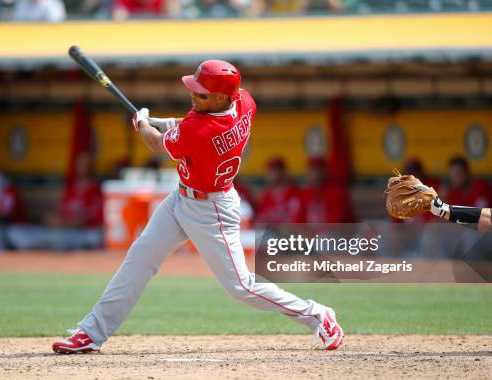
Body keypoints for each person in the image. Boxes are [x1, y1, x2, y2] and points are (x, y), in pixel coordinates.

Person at [52, 60, 343, 354]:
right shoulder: (243, 101)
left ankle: (318, 314)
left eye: (202, 94)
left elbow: (158, 143)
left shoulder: (204, 130)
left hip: (212, 211)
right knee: (140, 258)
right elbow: (188, 125)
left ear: (221, 98)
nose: (194, 96)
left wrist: (143, 123)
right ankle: (92, 333)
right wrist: (160, 122)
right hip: (182, 198)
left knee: (241, 287)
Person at [7, 152, 104, 251]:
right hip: (59, 231)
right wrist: (52, 219)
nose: (82, 167)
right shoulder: (71, 190)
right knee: (15, 232)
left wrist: (74, 223)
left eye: (85, 164)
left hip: (80, 233)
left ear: (92, 166)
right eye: (80, 164)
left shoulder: (97, 190)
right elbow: (58, 213)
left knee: (93, 237)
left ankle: (50, 248)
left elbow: (97, 222)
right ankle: (47, 248)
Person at [298, 156, 354, 223]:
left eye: (318, 169)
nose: (316, 173)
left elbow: (335, 222)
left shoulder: (337, 192)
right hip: (315, 231)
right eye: (313, 169)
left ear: (325, 171)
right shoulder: (305, 193)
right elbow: (299, 220)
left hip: (342, 231)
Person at [255, 157, 302, 224]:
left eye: (277, 170)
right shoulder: (266, 196)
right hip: (272, 233)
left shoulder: (295, 192)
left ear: (284, 171)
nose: (274, 173)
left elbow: (298, 220)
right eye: (271, 170)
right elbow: (260, 219)